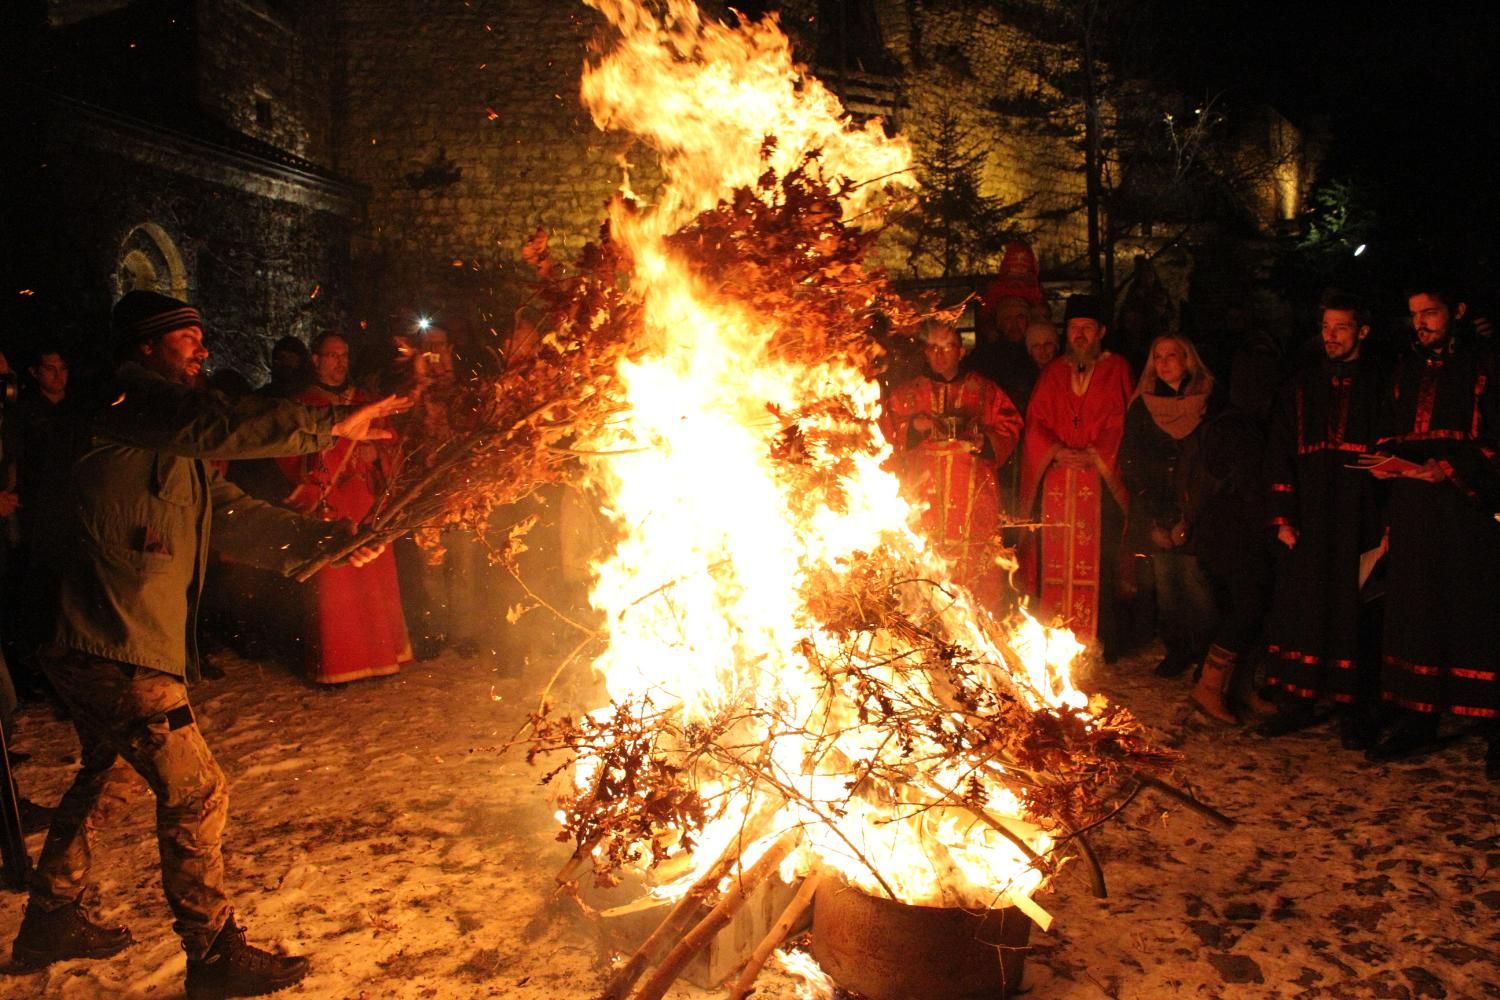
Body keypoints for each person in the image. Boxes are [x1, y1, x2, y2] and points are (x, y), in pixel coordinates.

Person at [8, 290, 407, 998]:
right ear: (145, 347)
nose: (203, 349)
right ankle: (214, 953)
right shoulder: (125, 404)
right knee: (197, 790)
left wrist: (325, 544)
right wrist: (331, 423)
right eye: (186, 338)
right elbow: (216, 423)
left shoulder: (164, 434)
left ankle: (51, 919)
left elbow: (224, 514)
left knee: (112, 774)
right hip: (102, 633)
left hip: (116, 633)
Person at [1364, 280, 1500, 774]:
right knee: (1417, 611)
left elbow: (1493, 438)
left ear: (1458, 311)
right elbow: (1389, 425)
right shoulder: (1405, 369)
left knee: (1474, 612)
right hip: (1415, 510)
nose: (1421, 322)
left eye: (1431, 312)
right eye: (1415, 313)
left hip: (1469, 513)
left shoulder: (1486, 366)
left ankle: (1491, 722)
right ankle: (1415, 719)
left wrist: (1451, 468)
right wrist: (1385, 458)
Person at [1258, 290, 1385, 745]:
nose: (1330, 337)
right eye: (1326, 327)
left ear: (1362, 332)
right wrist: (1282, 516)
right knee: (1304, 605)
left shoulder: (1379, 384)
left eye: (1341, 328)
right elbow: (1280, 452)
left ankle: (1353, 706)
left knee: (1354, 608)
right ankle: (1299, 698)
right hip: (1310, 513)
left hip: (1359, 515)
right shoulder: (1300, 385)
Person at [279, 332, 412, 684]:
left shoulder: (364, 400)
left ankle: (381, 658)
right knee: (335, 583)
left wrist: (377, 454)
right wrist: (341, 449)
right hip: (331, 502)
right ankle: (339, 665)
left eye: (345, 355)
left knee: (373, 577)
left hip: (365, 499)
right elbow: (290, 455)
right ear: (316, 359)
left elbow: (390, 440)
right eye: (332, 355)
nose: (340, 362)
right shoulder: (302, 403)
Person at [885, 319, 1024, 612]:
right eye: (932, 348)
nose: (939, 355)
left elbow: (1010, 425)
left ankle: (980, 634)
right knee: (925, 572)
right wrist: (913, 426)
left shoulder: (985, 391)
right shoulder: (908, 394)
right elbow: (885, 428)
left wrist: (982, 441)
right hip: (924, 502)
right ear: (925, 352)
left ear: (961, 351)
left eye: (946, 347)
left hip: (973, 501)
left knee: (977, 574)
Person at [1019, 294, 1135, 647]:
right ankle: (1055, 642)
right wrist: (1057, 451)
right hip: (1057, 478)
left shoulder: (1119, 369)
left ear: (1101, 331)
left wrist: (1094, 454)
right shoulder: (1053, 372)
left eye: (1087, 328)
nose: (1080, 336)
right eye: (1073, 329)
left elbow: (1124, 421)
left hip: (1101, 480)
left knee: (1102, 560)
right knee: (1051, 561)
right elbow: (1035, 421)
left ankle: (1101, 640)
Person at [1118, 334, 1221, 680]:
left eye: (1171, 355)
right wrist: (1159, 518)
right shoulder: (1143, 407)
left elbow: (1212, 464)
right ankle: (1178, 649)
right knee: (1167, 584)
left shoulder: (1208, 402)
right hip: (1156, 508)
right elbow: (1130, 461)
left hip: (1197, 511)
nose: (1164, 363)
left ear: (1187, 359)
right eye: (1157, 356)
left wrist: (1187, 517)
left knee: (1198, 585)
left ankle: (1208, 653)